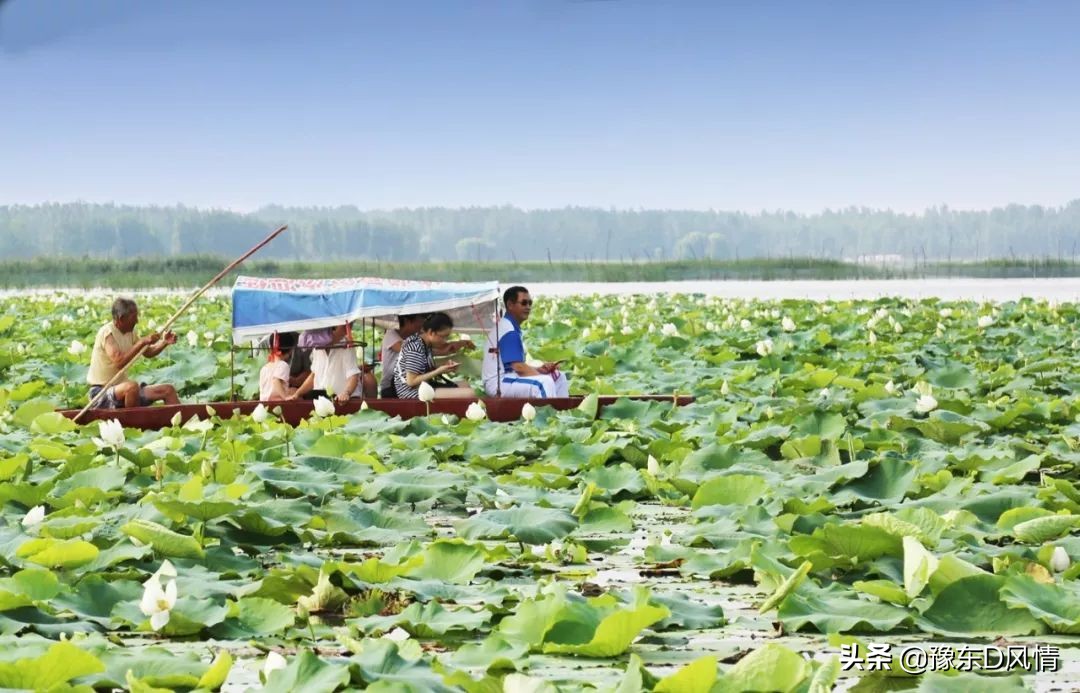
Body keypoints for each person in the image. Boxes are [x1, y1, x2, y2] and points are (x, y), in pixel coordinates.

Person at [86, 297, 180, 408]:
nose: (137, 321)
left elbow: (148, 352)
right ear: (121, 319)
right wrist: (143, 342)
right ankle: (133, 423)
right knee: (132, 387)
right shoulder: (107, 333)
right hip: (101, 393)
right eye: (134, 317)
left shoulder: (131, 332)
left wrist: (164, 342)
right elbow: (119, 362)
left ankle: (182, 423)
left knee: (168, 390)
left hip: (122, 388)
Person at [482, 286, 570, 398]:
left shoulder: (511, 326)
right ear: (510, 305)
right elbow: (518, 367)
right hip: (498, 383)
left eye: (530, 303)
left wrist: (538, 370)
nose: (528, 307)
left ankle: (562, 412)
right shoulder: (508, 330)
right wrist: (539, 376)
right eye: (523, 303)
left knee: (558, 376)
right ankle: (547, 413)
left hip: (510, 377)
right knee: (545, 383)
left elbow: (515, 367)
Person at [380, 314, 475, 398]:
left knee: (465, 385)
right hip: (411, 393)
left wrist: (445, 367)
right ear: (431, 332)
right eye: (443, 336)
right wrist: (439, 370)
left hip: (423, 386)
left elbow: (421, 368)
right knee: (469, 393)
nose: (445, 340)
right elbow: (411, 381)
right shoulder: (415, 347)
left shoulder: (424, 344)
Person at [290, 323, 364, 402]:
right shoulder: (317, 348)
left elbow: (353, 375)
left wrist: (346, 393)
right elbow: (314, 375)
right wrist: (297, 394)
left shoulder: (346, 346)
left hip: (343, 400)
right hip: (320, 399)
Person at [259, 331, 297, 401]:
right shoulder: (283, 365)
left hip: (264, 404)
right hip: (278, 405)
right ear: (291, 350)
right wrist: (285, 397)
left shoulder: (264, 368)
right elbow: (276, 381)